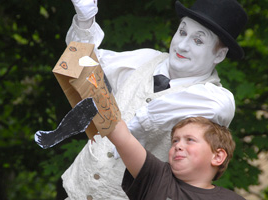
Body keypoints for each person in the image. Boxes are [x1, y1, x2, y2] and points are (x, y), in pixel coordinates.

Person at [62, 0, 248, 199]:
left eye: (198, 41)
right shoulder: (144, 60)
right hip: (76, 191)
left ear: (219, 55)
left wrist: (142, 121)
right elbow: (80, 65)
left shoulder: (214, 100)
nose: (183, 45)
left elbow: (217, 105)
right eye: (182, 32)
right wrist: (85, 22)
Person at [109, 116, 244, 199]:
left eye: (190, 140)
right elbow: (122, 137)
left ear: (217, 156)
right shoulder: (157, 177)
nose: (178, 146)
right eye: (175, 141)